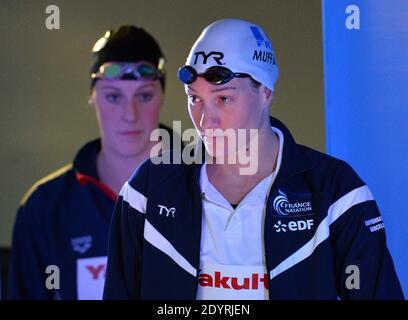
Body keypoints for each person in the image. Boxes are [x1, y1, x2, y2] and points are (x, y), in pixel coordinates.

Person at [103, 19, 404, 300]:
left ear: (265, 91)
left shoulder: (335, 193)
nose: (206, 120)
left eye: (224, 98)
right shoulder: (149, 190)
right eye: (195, 98)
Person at [8, 25, 175, 300]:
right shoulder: (45, 208)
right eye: (113, 96)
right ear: (92, 98)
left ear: (162, 97)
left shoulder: (207, 186)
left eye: (144, 95)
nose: (130, 114)